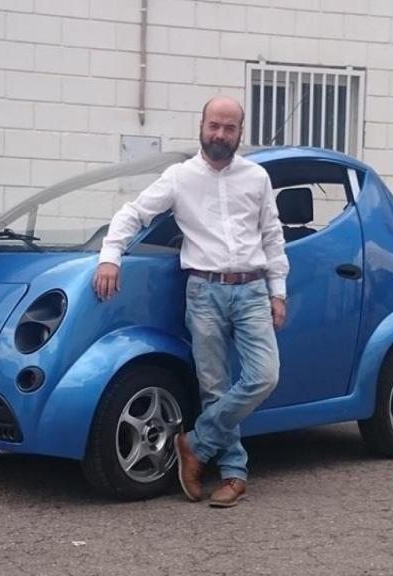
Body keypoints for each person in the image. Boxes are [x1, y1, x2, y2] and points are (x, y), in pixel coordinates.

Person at [93, 96, 289, 508]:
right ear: (201, 126)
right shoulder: (179, 177)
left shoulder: (257, 178)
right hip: (203, 291)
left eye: (229, 128)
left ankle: (195, 444)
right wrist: (110, 257)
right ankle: (234, 474)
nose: (220, 134)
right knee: (214, 388)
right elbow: (133, 214)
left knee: (265, 375)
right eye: (214, 125)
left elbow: (272, 237)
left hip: (252, 290)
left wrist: (278, 291)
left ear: (240, 132)